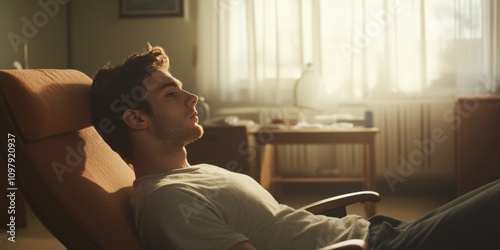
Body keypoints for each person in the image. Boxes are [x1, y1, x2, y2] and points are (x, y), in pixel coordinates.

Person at [89, 45, 500, 250]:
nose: (193, 97)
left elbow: (272, 225)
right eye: (170, 94)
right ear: (136, 119)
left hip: (376, 233)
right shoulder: (168, 202)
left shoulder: (191, 175)